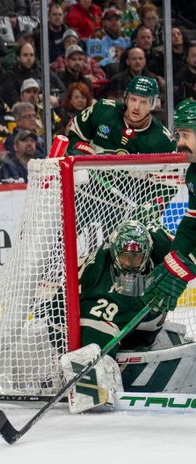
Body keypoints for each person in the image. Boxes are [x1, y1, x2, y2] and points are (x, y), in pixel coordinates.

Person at [61, 220, 174, 413]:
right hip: (100, 310)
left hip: (145, 321)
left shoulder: (161, 245)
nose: (130, 264)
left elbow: (188, 250)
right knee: (95, 338)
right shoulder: (97, 273)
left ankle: (137, 345)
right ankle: (92, 376)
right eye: (124, 258)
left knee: (148, 322)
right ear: (114, 253)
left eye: (136, 258)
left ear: (146, 253)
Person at [142, 99, 196, 315]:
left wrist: (185, 265)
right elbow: (192, 223)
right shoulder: (193, 171)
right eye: (179, 135)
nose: (179, 143)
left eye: (186, 135)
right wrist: (172, 261)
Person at [67, 75, 176, 155]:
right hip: (92, 184)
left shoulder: (163, 140)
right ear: (126, 98)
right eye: (133, 99)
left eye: (143, 102)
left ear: (152, 104)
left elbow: (168, 181)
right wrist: (79, 152)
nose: (136, 107)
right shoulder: (102, 109)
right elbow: (74, 136)